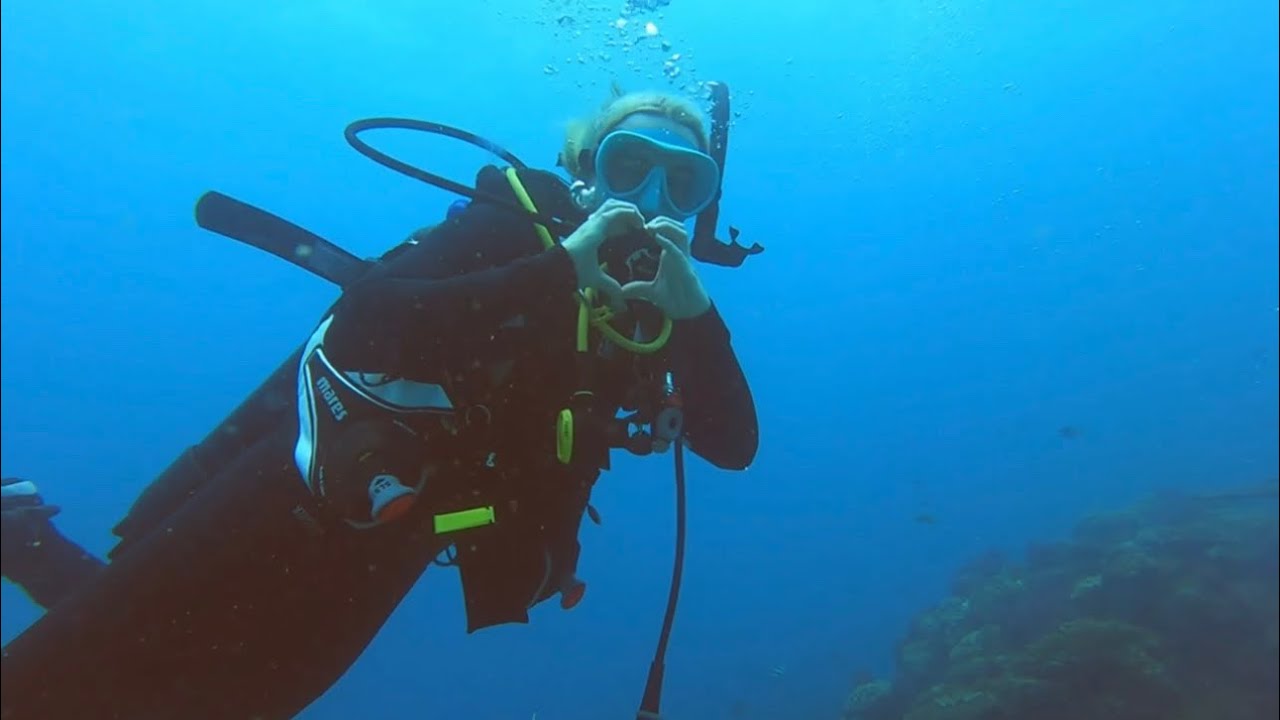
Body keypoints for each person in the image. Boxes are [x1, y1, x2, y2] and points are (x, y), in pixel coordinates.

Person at [0, 86, 758, 720]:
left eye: (681, 184)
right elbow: (370, 320)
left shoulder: (655, 316)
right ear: (585, 169)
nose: (652, 199)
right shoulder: (514, 228)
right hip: (303, 482)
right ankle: (25, 542)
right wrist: (557, 268)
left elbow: (734, 447)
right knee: (55, 674)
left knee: (224, 703)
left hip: (409, 534)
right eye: (630, 166)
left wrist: (699, 318)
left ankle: (24, 541)